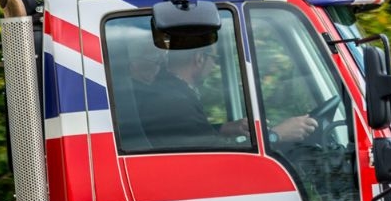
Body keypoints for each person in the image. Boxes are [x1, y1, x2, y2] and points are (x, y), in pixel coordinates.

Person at [130, 48, 318, 150]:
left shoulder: (170, 91)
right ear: (199, 58)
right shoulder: (173, 100)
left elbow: (187, 134)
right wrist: (276, 135)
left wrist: (224, 128)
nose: (215, 65)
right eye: (215, 59)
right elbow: (213, 154)